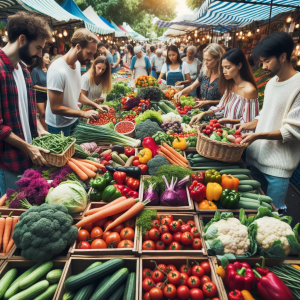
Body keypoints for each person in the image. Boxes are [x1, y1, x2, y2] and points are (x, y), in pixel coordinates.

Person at [238, 32, 300, 211]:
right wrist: (250, 124)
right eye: (262, 62)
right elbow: (267, 112)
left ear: (283, 56)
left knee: (274, 213)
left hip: (277, 168)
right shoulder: (272, 82)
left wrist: (258, 135)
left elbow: (292, 131)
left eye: (266, 61)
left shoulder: (298, 85)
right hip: (256, 159)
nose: (263, 66)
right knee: (256, 211)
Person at [0, 12, 52, 195]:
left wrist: (40, 129)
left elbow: (30, 110)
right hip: (8, 164)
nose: (40, 54)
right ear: (22, 39)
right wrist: (28, 147)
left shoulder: (23, 70)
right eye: (38, 48)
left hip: (28, 159)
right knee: (10, 215)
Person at [46, 29, 109, 136]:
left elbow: (78, 95)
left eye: (93, 54)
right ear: (78, 47)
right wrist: (83, 113)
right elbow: (55, 108)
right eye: (89, 53)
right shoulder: (57, 70)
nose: (91, 58)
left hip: (74, 119)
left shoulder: (78, 65)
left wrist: (95, 105)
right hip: (59, 126)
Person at [190, 48, 258, 128]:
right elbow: (221, 108)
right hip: (225, 133)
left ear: (239, 66)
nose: (224, 71)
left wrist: (226, 120)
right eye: (223, 68)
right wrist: (203, 113)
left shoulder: (249, 91)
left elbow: (249, 122)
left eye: (228, 68)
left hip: (238, 136)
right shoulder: (230, 85)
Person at [174, 43, 225, 108]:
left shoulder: (225, 76)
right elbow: (192, 87)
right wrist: (181, 92)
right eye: (204, 59)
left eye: (208, 60)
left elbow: (227, 100)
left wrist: (208, 102)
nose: (205, 62)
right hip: (202, 112)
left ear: (218, 58)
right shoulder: (204, 73)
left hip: (217, 114)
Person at [31, 49, 50, 130]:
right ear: (41, 58)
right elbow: (33, 85)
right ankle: (45, 131)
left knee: (49, 114)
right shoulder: (35, 70)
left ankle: (49, 129)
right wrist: (45, 88)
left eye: (49, 58)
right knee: (42, 113)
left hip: (49, 94)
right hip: (40, 95)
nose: (48, 59)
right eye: (46, 57)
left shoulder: (50, 70)